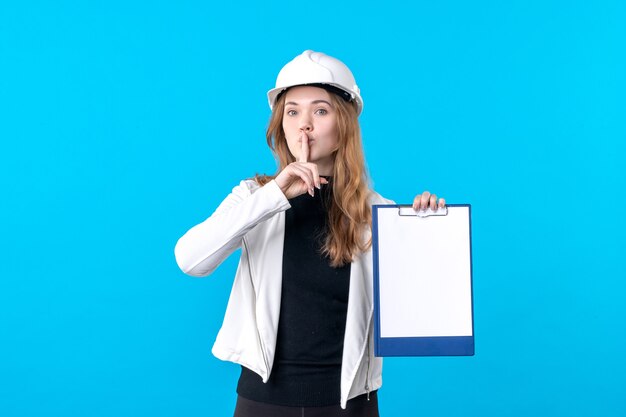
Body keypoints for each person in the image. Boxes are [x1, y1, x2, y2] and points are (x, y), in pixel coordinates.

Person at [174, 50, 446, 417]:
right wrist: (277, 193)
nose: (305, 124)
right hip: (262, 403)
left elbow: (423, 303)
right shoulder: (253, 197)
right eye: (292, 111)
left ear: (344, 124)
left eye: (320, 110)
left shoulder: (378, 212)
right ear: (280, 126)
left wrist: (426, 228)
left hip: (350, 404)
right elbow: (191, 259)